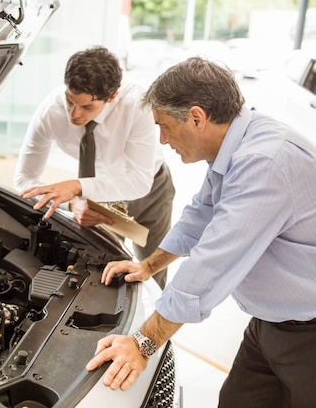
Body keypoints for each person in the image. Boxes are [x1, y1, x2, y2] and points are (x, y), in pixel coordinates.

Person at [86, 57, 316, 408]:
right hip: (268, 324)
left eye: (164, 126)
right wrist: (149, 266)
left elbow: (211, 264)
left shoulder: (264, 163)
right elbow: (201, 214)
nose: (162, 140)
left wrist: (143, 344)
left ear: (196, 117)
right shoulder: (235, 146)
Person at [13, 46, 175, 288]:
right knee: (98, 269)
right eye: (70, 101)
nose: (74, 114)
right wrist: (74, 201)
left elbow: (139, 182)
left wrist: (77, 186)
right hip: (99, 191)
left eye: (87, 107)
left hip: (151, 191)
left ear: (112, 97)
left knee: (149, 272)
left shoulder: (137, 106)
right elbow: (24, 178)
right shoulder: (50, 112)